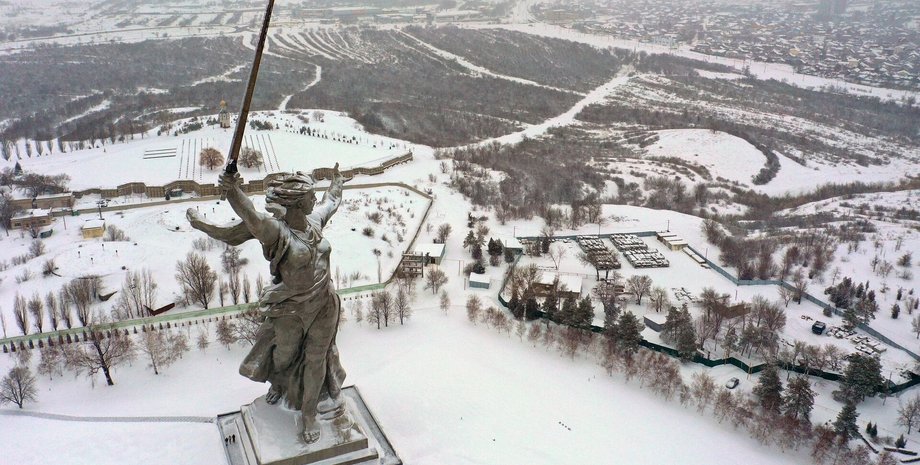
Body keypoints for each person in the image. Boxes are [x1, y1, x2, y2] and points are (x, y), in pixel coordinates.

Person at [187, 164, 348, 444]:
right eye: (311, 196)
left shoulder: (314, 223)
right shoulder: (277, 232)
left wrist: (338, 182)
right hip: (290, 310)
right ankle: (280, 383)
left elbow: (330, 202)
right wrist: (233, 190)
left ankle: (308, 413)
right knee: (282, 357)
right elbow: (250, 214)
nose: (315, 200)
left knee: (316, 360)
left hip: (324, 304)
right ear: (298, 203)